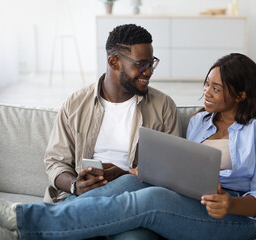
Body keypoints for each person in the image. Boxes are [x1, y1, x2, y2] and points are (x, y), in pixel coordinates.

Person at [0, 53, 256, 240]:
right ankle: (20, 225)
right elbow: (187, 172)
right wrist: (140, 171)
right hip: (197, 202)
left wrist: (231, 204)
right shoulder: (200, 122)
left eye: (216, 88)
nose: (206, 92)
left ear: (241, 95)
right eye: (206, 84)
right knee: (128, 182)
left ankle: (19, 220)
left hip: (238, 217)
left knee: (151, 199)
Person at [40, 23, 180, 239]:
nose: (149, 71)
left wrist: (124, 174)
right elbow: (55, 162)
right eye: (141, 64)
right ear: (113, 62)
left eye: (151, 63)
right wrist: (76, 185)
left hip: (134, 207)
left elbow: (171, 173)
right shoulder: (76, 104)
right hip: (84, 198)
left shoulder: (163, 107)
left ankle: (37, 222)